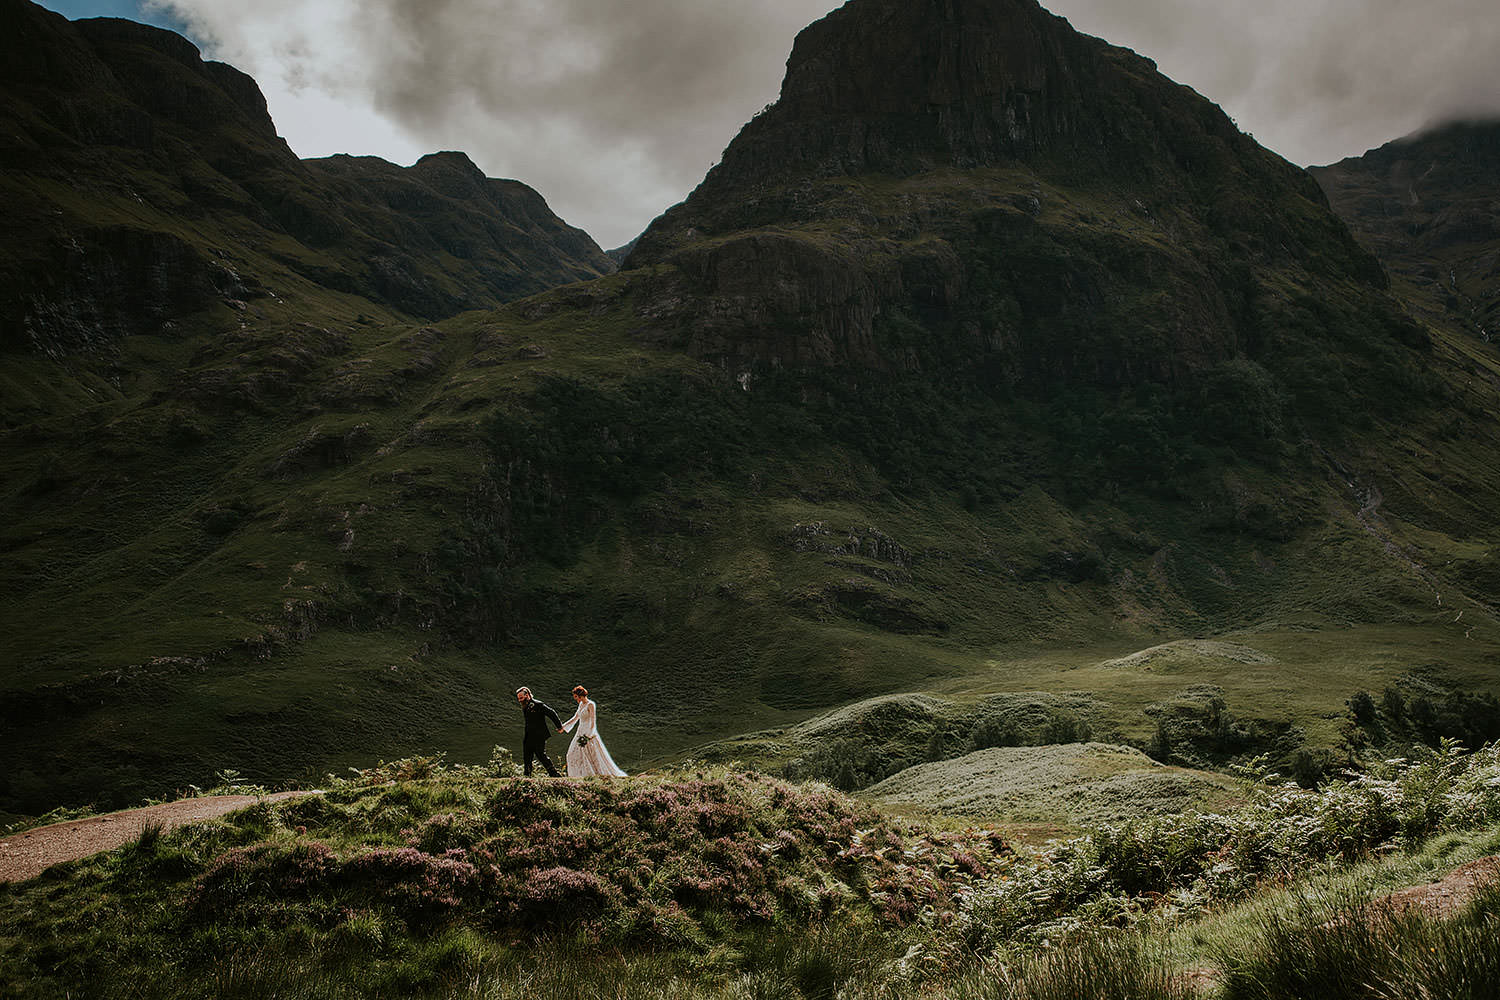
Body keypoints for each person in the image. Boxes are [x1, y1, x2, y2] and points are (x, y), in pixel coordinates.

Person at [560, 685, 627, 778]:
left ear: (580, 695)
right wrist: (563, 726)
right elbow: (575, 718)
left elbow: (592, 720)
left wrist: (589, 735)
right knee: (571, 753)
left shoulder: (590, 704)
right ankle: (579, 774)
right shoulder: (581, 705)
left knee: (591, 754)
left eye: (576, 696)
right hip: (580, 731)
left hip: (588, 731)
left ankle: (591, 774)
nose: (575, 699)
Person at [515, 686, 564, 777]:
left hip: (539, 735)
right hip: (529, 735)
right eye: (518, 699)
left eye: (521, 698)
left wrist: (559, 726)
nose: (520, 700)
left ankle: (554, 774)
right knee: (527, 755)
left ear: (528, 695)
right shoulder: (525, 706)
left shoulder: (538, 704)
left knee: (540, 754)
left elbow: (551, 713)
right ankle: (527, 775)